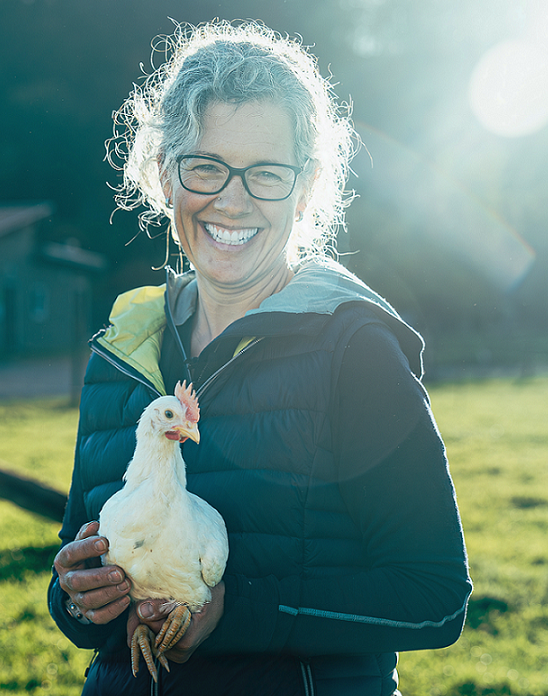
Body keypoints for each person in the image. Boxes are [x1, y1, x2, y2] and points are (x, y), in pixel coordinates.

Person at [48, 19, 472, 696]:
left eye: (266, 173)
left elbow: (435, 596)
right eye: (206, 166)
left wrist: (234, 613)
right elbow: (81, 578)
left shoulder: (355, 351)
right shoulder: (122, 351)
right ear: (164, 175)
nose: (232, 198)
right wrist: (74, 594)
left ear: (305, 190)